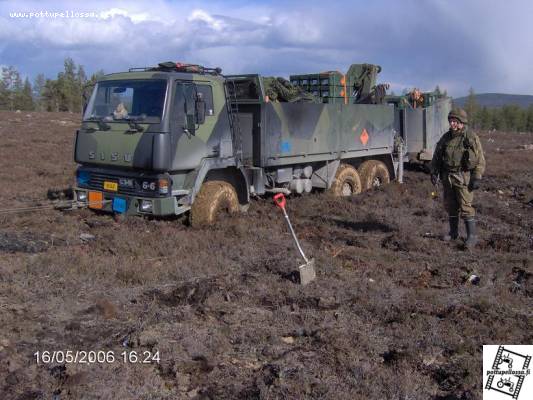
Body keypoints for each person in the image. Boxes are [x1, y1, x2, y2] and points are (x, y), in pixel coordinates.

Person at [430, 108, 486, 248]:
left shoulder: (470, 137)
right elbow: (437, 156)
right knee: (451, 206)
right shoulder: (446, 137)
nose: (452, 124)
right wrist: (434, 172)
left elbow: (480, 159)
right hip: (447, 177)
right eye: (451, 121)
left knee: (466, 206)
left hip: (463, 177)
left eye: (455, 121)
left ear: (462, 122)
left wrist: (476, 177)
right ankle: (453, 233)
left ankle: (472, 237)